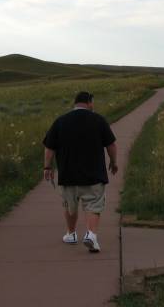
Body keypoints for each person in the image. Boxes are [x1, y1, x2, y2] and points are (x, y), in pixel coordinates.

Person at [42, 91, 118, 253]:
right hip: (94, 175)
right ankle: (91, 235)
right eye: (93, 102)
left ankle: (71, 234)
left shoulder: (60, 121)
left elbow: (49, 147)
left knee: (70, 206)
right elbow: (111, 145)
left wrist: (47, 167)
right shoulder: (98, 120)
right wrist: (113, 162)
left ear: (75, 103)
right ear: (89, 102)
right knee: (93, 205)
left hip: (68, 175)